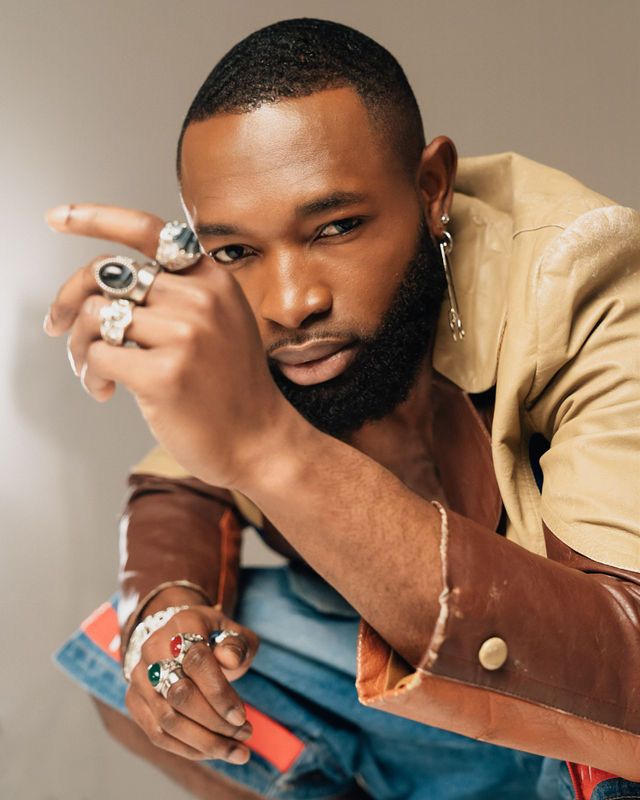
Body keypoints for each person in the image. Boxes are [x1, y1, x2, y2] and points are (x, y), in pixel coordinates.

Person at [48, 17, 639, 800]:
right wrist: (163, 620)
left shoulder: (579, 272)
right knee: (124, 658)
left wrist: (270, 445)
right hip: (432, 715)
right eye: (236, 251)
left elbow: (628, 667)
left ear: (431, 190)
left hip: (587, 723)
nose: (291, 303)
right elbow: (179, 482)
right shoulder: (246, 320)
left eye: (336, 228)